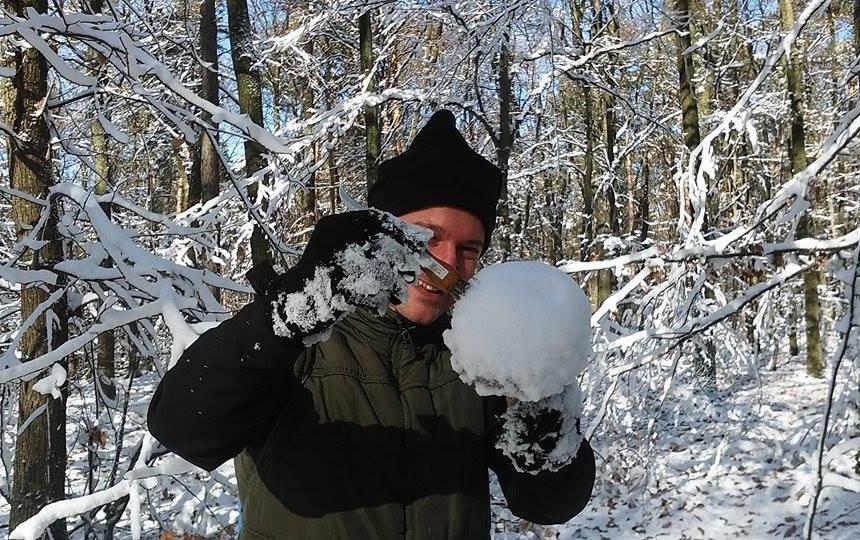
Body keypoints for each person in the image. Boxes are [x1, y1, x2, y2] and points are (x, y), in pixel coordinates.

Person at [147, 110, 595, 539]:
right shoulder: (297, 336)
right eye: (428, 235)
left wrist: (540, 399)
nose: (446, 263)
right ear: (384, 233)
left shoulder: (478, 360)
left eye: (469, 248)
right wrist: (288, 315)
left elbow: (549, 504)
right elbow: (183, 428)